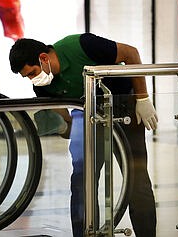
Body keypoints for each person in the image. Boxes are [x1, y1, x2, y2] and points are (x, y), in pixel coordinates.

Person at [9, 33, 158, 237]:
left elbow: (130, 53)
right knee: (81, 179)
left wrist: (142, 98)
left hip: (124, 107)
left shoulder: (82, 45)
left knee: (136, 177)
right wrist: (60, 127)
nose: (33, 79)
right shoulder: (43, 87)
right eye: (27, 77)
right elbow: (68, 125)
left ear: (43, 58)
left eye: (32, 72)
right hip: (88, 114)